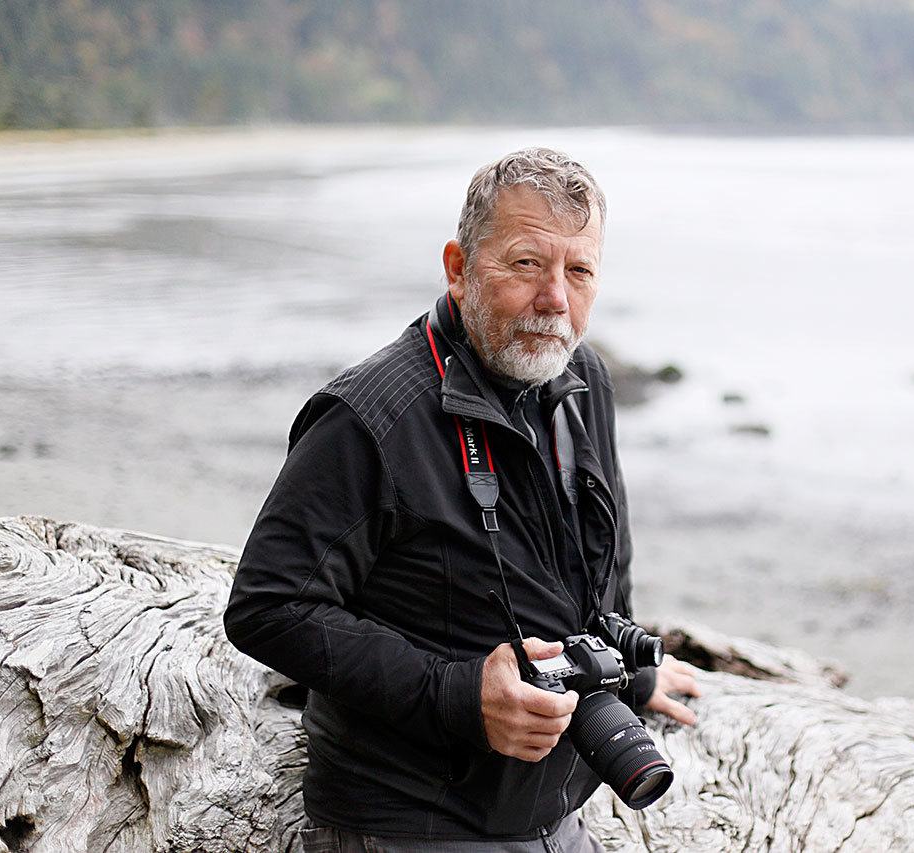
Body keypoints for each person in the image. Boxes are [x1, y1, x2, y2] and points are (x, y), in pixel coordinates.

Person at [223, 147, 701, 852]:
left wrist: (627, 668)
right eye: (526, 264)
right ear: (458, 266)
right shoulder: (371, 418)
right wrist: (460, 693)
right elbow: (267, 607)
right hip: (410, 818)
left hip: (555, 808)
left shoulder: (583, 381)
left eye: (579, 271)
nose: (555, 301)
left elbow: (603, 559)